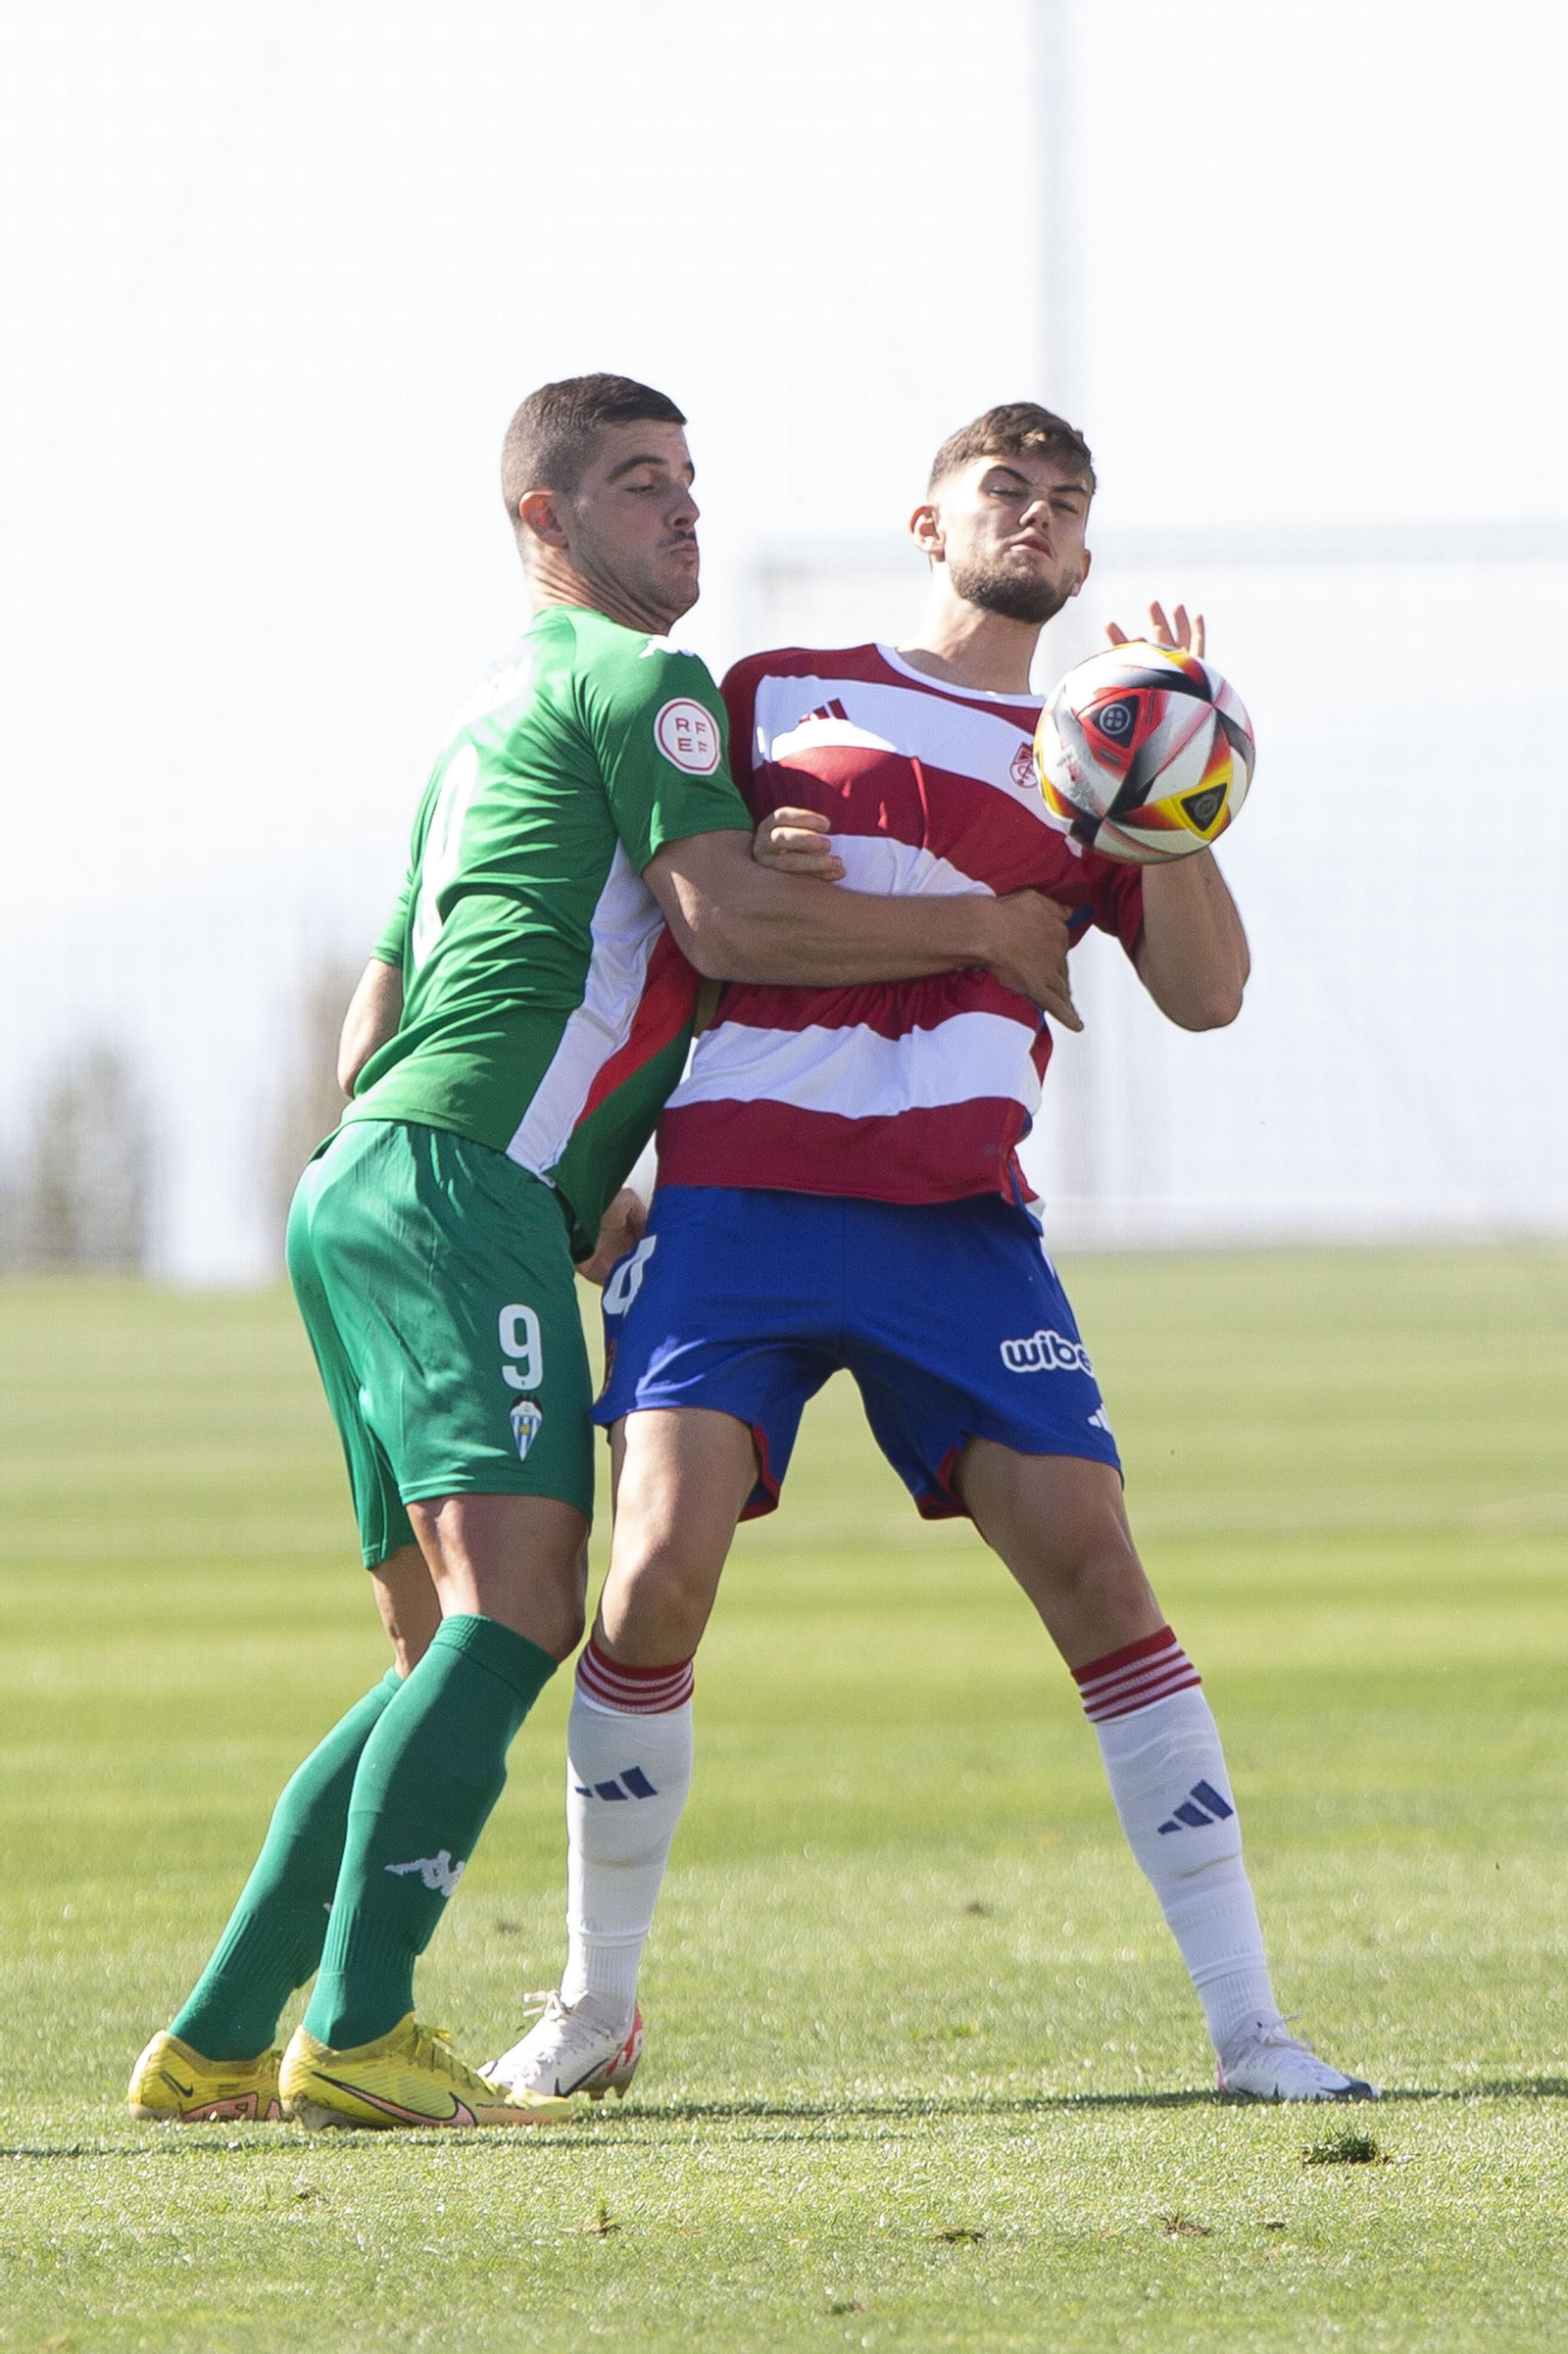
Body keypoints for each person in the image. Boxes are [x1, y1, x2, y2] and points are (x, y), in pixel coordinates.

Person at [125, 376, 1076, 2131]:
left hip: (365, 1183)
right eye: (641, 486)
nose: (687, 513)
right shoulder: (646, 685)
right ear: (543, 523)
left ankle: (211, 2045)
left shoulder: (483, 718)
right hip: (457, 1190)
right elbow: (728, 919)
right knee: (524, 1612)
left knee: (436, 1656)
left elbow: (380, 999)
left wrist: (568, 1198)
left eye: (693, 481)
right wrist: (987, 926)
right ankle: (361, 2031)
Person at [486, 402, 1379, 2109]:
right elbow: (688, 906)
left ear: (1091, 555)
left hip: (958, 1220)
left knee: (1100, 1572)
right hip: (736, 1199)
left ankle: (1254, 2027)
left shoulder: (1097, 751)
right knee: (653, 1566)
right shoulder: (769, 691)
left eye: (1065, 501)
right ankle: (596, 2007)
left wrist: (1179, 782)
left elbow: (1207, 995)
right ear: (931, 519)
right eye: (1005, 487)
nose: (1033, 514)